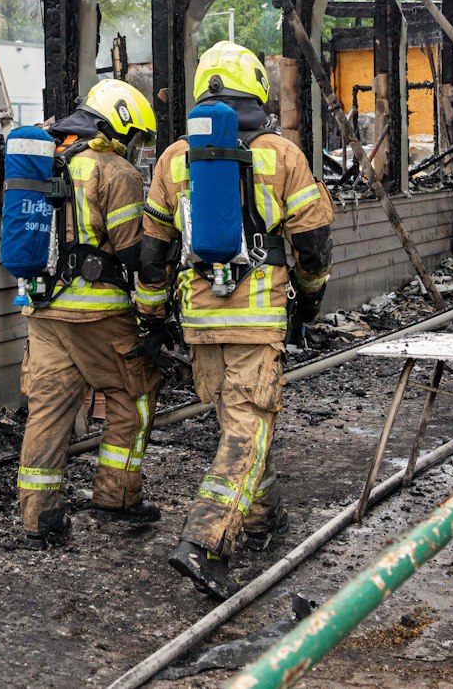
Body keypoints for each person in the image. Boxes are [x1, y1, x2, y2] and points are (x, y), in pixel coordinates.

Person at [135, 41, 335, 599]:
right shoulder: (281, 153)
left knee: (238, 424)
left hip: (199, 319)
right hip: (256, 317)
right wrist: (310, 300)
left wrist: (153, 318)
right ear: (256, 88)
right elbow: (313, 244)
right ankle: (204, 542)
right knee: (250, 426)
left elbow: (153, 254)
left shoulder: (175, 158)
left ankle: (262, 517)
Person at [13, 79, 162, 549]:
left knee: (48, 410)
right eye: (134, 137)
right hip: (99, 314)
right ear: (117, 123)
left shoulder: (46, 160)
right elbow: (134, 252)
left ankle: (40, 518)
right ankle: (116, 496)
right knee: (133, 395)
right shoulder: (114, 170)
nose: (134, 148)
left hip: (42, 311)